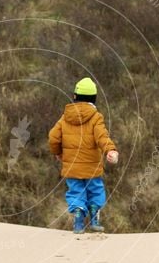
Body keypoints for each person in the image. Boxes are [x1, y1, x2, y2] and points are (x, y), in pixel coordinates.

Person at [48, 77, 119, 234]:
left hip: (71, 167)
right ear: (94, 98)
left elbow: (53, 136)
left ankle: (78, 221)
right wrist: (110, 150)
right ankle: (94, 218)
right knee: (96, 191)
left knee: (76, 192)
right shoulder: (96, 117)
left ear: (74, 97)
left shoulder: (65, 117)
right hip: (92, 167)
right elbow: (102, 136)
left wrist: (57, 152)